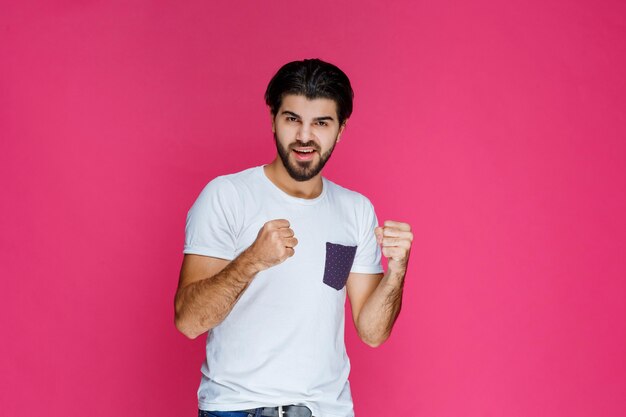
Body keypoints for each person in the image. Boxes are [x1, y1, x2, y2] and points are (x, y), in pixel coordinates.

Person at [175, 58, 413, 417]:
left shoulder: (356, 210)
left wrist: (397, 270)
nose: (304, 136)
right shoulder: (227, 196)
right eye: (292, 119)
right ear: (273, 119)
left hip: (326, 411)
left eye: (321, 123)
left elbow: (373, 332)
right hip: (238, 408)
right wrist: (252, 260)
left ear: (341, 129)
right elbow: (189, 322)